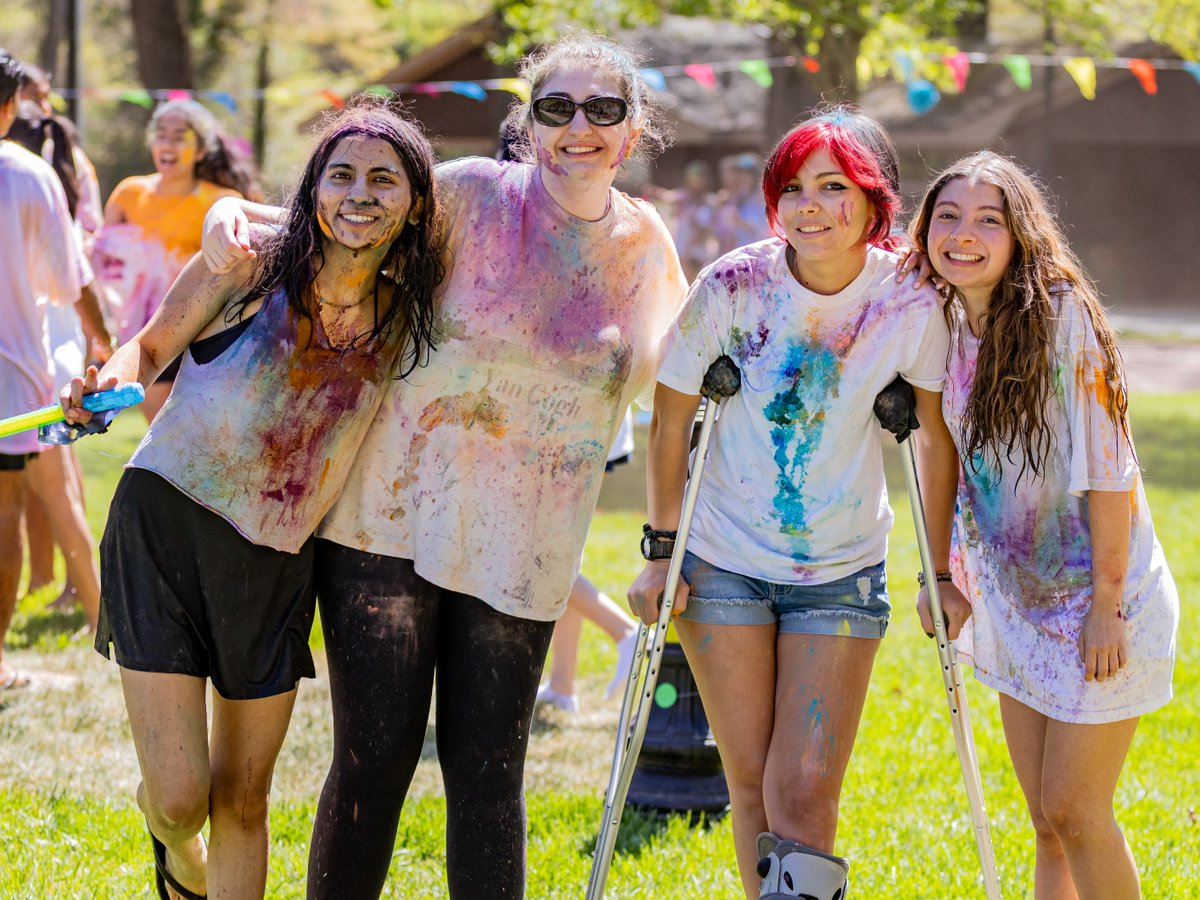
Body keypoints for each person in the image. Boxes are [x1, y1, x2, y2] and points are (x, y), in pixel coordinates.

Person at [203, 33, 687, 899]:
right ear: (529, 122)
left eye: (603, 109)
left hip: (529, 546)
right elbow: (344, 229)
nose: (579, 127)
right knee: (373, 760)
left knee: (489, 771)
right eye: (556, 108)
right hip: (387, 522)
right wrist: (227, 217)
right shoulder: (467, 195)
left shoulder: (644, 248)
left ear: (633, 128)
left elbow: (688, 378)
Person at [63, 99, 442, 900]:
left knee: (242, 797)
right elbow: (153, 345)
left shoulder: (417, 302)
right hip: (165, 519)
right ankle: (171, 844)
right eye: (339, 175)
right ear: (312, 187)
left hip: (276, 560)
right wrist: (110, 379)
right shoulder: (249, 260)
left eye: (384, 179)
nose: (359, 195)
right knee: (179, 798)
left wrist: (233, 201)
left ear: (415, 204)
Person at [627, 106, 962, 899]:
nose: (809, 205)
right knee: (751, 785)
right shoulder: (735, 285)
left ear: (874, 201)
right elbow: (671, 418)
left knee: (804, 789)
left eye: (833, 186)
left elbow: (935, 442)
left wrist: (938, 573)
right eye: (793, 189)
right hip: (724, 563)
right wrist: (658, 551)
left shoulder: (910, 302)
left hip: (841, 569)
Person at [908, 150, 1178, 900]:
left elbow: (1110, 470)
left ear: (1020, 234)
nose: (964, 234)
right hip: (1018, 606)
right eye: (948, 217)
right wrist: (937, 575)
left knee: (1076, 809)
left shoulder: (1061, 321)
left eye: (988, 220)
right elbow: (939, 455)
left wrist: (1106, 605)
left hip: (1101, 604)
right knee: (1044, 820)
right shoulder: (943, 322)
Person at [0, 50, 102, 690]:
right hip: (11, 378)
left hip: (14, 378)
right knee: (4, 516)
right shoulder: (24, 171)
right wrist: (108, 338)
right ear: (9, 107)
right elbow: (71, 280)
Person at [7, 99, 112, 617]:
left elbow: (73, 286)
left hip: (38, 371)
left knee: (56, 496)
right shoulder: (41, 193)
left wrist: (104, 342)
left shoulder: (24, 188)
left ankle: (98, 617)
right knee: (62, 495)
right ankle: (97, 616)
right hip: (47, 364)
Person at [97, 98, 260, 422]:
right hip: (143, 332)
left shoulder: (221, 202)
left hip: (204, 330)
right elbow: (104, 264)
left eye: (179, 135)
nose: (167, 143)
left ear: (200, 150)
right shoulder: (129, 193)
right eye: (161, 134)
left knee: (189, 432)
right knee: (163, 431)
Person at [537, 409, 641, 712]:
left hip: (581, 417)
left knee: (547, 553)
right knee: (560, 548)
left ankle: (623, 632)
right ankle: (562, 686)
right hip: (587, 417)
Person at [712, 151, 772, 256]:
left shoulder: (762, 197)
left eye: (746, 174)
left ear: (754, 175)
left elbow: (763, 229)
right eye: (740, 174)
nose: (742, 178)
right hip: (740, 252)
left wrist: (740, 221)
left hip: (758, 253)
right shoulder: (740, 196)